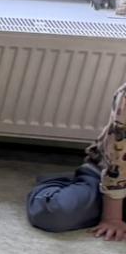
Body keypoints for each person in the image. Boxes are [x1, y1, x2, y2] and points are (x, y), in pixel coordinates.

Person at [25, 76, 125, 240]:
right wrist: (112, 219)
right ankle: (58, 184)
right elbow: (118, 159)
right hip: (108, 174)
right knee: (53, 213)